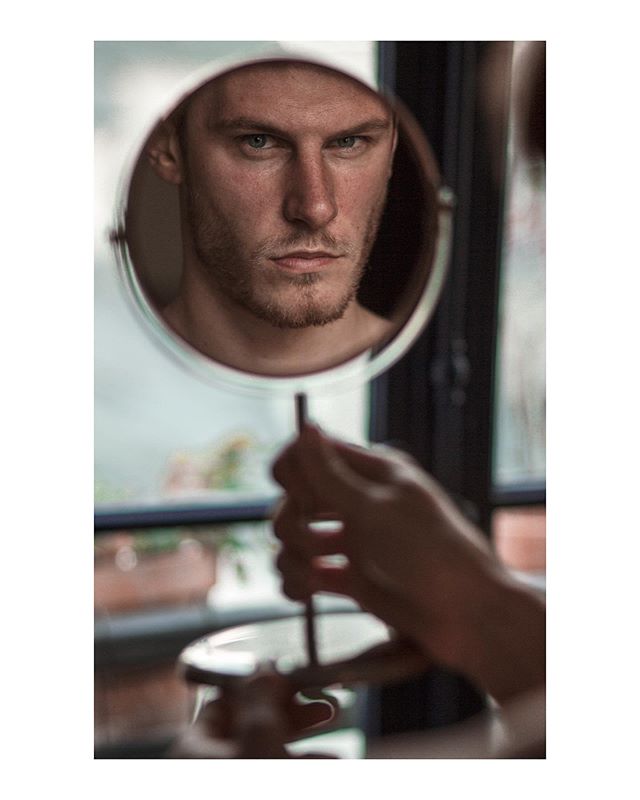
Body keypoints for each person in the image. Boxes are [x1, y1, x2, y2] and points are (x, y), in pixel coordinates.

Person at [147, 59, 397, 376]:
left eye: (348, 142)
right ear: (169, 149)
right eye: (259, 141)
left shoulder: (426, 381)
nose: (316, 208)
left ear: (392, 147)